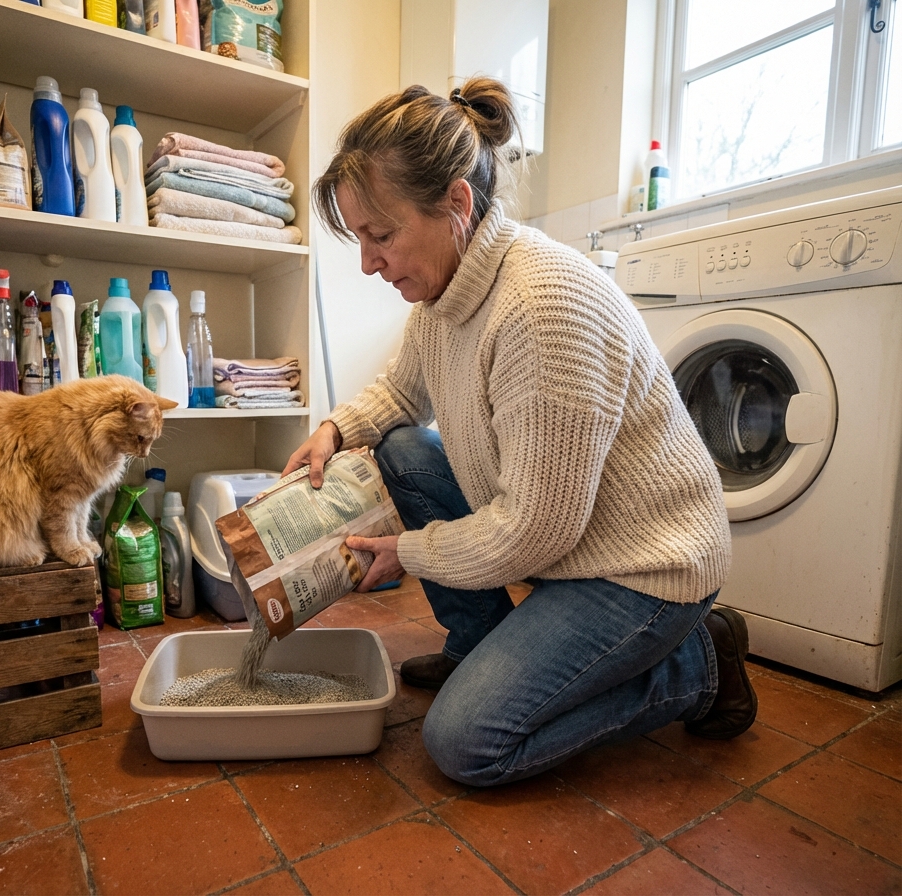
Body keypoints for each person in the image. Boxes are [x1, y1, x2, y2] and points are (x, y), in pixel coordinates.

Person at [284, 77, 757, 787]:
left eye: (381, 235)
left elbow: (533, 531)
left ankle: (699, 666)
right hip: (568, 541)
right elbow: (401, 393)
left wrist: (407, 553)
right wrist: (333, 429)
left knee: (467, 743)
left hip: (642, 567)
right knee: (404, 449)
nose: (368, 262)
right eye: (360, 239)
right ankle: (479, 646)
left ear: (456, 204)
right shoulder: (442, 298)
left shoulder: (541, 308)